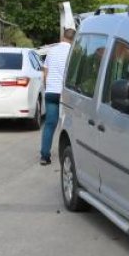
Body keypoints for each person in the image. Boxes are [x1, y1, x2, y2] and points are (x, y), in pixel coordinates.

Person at [39, 28, 75, 166]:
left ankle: (44, 156)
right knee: (69, 125)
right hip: (66, 93)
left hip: (51, 92)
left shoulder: (51, 51)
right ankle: (69, 154)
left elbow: (45, 73)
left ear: (63, 37)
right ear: (74, 38)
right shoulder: (73, 52)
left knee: (49, 124)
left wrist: (47, 88)